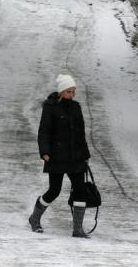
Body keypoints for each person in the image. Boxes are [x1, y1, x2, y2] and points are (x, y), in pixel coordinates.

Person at [28, 74, 91, 238]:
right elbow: (44, 131)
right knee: (54, 191)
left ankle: (77, 229)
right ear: (62, 91)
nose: (72, 94)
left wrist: (84, 154)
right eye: (69, 91)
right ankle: (35, 218)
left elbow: (80, 133)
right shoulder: (50, 107)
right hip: (56, 156)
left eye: (74, 91)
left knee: (80, 190)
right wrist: (45, 152)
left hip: (76, 157)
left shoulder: (76, 107)